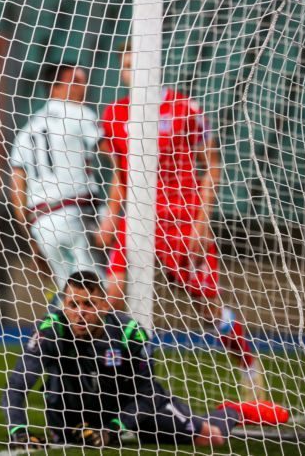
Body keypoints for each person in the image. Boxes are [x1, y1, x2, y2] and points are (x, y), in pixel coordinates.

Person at [97, 40, 262, 400]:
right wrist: (111, 215)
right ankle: (103, 387)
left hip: (182, 219)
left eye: (135, 64)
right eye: (125, 67)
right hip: (137, 218)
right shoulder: (113, 114)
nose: (130, 73)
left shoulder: (185, 108)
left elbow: (212, 166)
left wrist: (202, 225)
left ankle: (249, 369)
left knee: (207, 306)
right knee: (108, 297)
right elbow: (119, 173)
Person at [2, 270, 240, 447]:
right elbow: (17, 384)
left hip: (125, 408)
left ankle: (235, 411)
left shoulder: (128, 333)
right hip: (72, 419)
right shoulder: (51, 330)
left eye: (89, 304)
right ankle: (71, 429)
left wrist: (115, 428)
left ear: (104, 306)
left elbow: (149, 393)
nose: (80, 313)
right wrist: (18, 431)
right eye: (73, 304)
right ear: (63, 306)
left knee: (212, 437)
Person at [9, 64, 103, 291]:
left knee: (69, 297)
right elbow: (115, 155)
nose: (84, 87)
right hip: (77, 215)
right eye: (77, 81)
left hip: (41, 224)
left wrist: (33, 241)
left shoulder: (26, 131)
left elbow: (17, 192)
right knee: (100, 293)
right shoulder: (80, 113)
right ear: (56, 88)